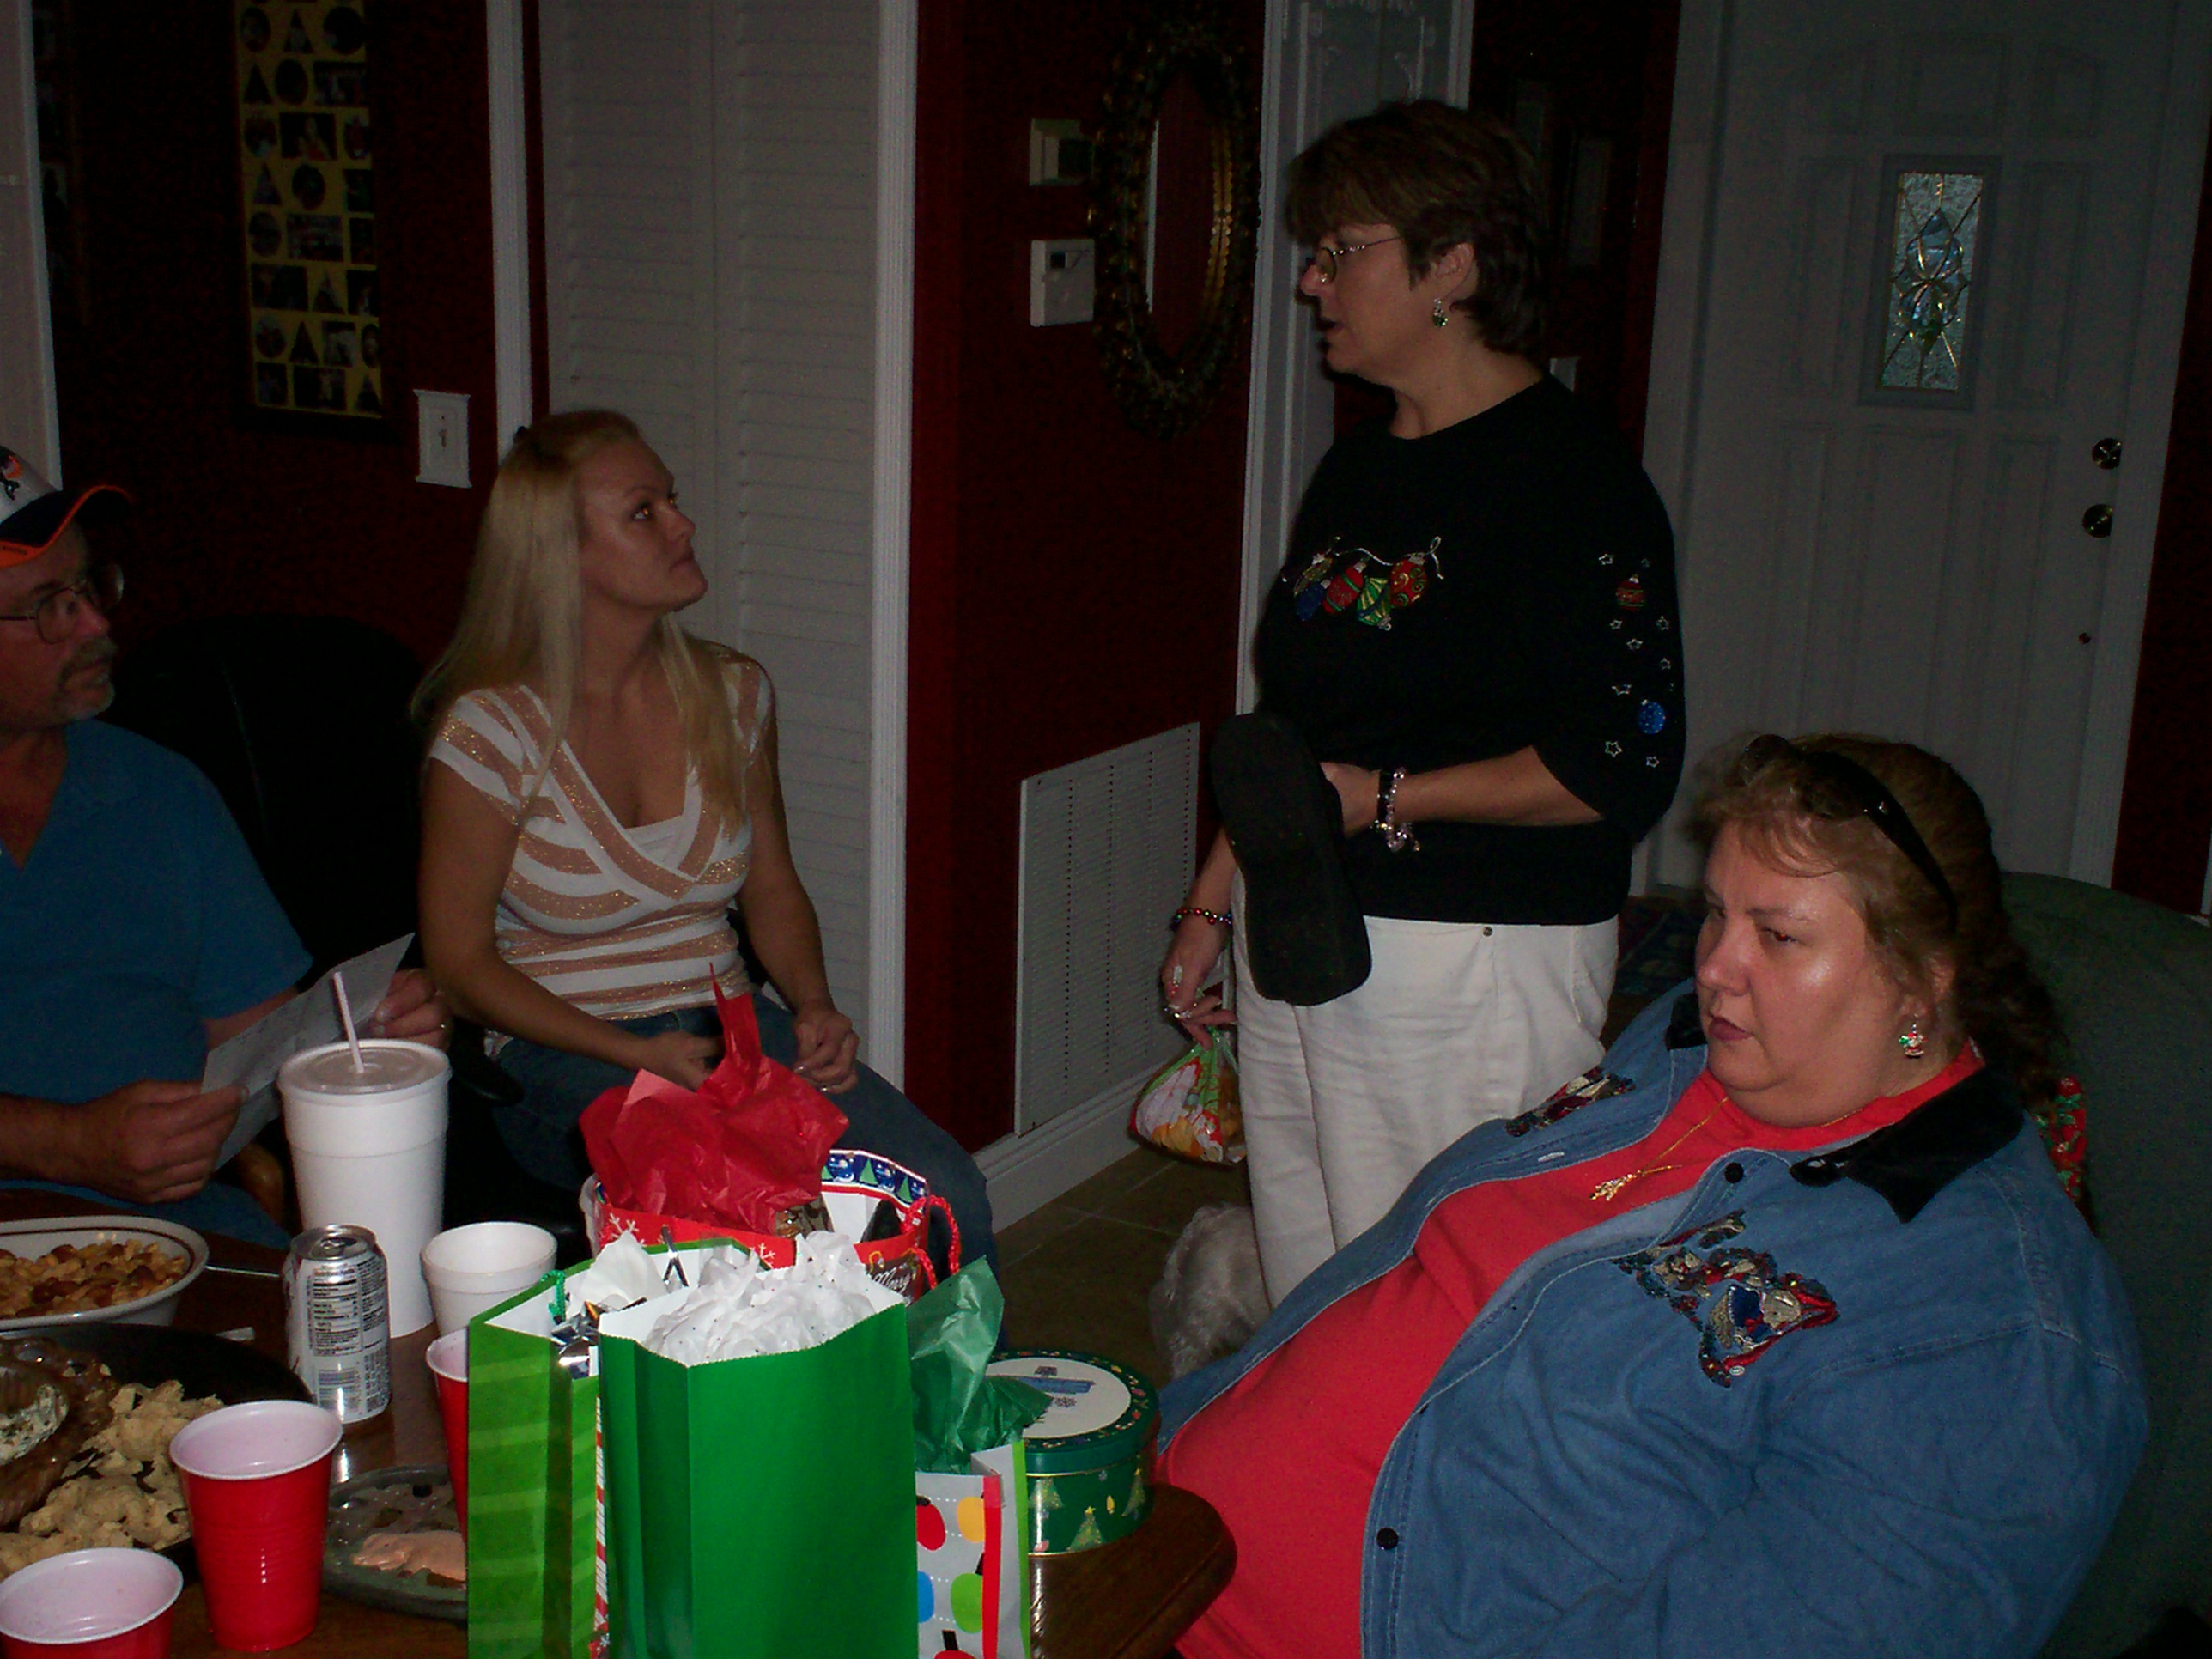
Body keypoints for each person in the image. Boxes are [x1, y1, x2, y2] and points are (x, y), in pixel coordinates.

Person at [1153, 733, 2145, 1659]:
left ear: (1921, 983)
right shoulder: (1685, 1046)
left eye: (1778, 935)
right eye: (1715, 911)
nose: (1711, 966)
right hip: (1158, 1522)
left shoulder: (1987, 1327)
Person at [1161, 100, 1684, 1302]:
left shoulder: (1572, 480)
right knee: (1313, 1290)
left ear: (1450, 264)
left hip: (1469, 961)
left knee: (1440, 1299)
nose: (1311, 282)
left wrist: (1391, 798)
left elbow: (1620, 763)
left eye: (1340, 251)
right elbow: (1300, 720)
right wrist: (1212, 900)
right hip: (1304, 931)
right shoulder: (1360, 465)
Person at [416, 411, 993, 1272]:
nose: (682, 524)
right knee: (756, 1216)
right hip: (566, 1052)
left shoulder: (733, 694)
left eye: (672, 501)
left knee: (939, 1193)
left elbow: (772, 887)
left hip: (728, 1033)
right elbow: (460, 964)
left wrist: (813, 1006)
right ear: (561, 554)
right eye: (643, 511)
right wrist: (634, 1053)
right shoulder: (491, 731)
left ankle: (935, 1368)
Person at [0, 445, 447, 1248]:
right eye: (50, 608)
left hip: (173, 1234)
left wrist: (362, 1040)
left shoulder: (158, 790)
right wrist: (64, 1143)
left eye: (90, 587)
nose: (97, 624)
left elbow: (259, 1048)